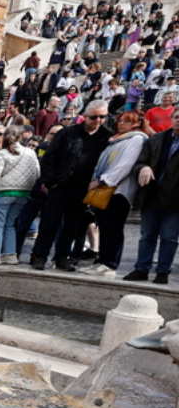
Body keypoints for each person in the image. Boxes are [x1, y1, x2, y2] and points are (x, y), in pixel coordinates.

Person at [30, 100, 112, 271]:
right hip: (59, 186)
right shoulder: (67, 133)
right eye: (94, 117)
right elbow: (49, 158)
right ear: (85, 117)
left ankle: (62, 257)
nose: (98, 120)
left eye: (102, 116)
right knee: (49, 223)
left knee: (72, 226)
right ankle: (40, 256)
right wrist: (49, 181)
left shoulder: (106, 136)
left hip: (83, 189)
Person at [84, 110, 149, 276]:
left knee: (113, 227)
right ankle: (102, 259)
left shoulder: (137, 139)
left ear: (136, 124)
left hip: (119, 190)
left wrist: (101, 181)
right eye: (120, 120)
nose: (121, 124)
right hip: (106, 188)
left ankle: (110, 262)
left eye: (127, 121)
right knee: (104, 226)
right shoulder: (116, 140)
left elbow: (125, 165)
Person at [125, 106, 179, 283]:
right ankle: (141, 269)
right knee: (147, 235)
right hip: (152, 195)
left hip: (175, 200)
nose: (178, 120)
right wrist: (144, 168)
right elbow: (139, 162)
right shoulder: (156, 139)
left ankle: (163, 271)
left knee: (169, 238)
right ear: (171, 118)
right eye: (177, 117)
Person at [0, 124, 41, 265]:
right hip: (23, 193)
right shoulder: (31, 153)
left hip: (3, 191)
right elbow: (37, 173)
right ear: (21, 136)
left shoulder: (2, 154)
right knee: (10, 224)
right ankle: (11, 255)